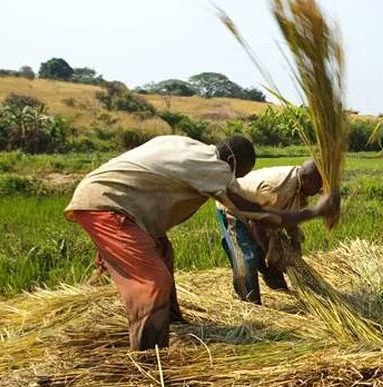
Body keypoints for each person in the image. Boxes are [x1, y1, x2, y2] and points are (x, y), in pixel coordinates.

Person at [65, 134, 291, 350]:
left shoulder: (189, 147)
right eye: (238, 174)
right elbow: (240, 205)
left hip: (113, 197)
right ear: (231, 161)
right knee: (153, 282)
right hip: (109, 204)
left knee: (164, 254)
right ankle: (149, 358)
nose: (235, 179)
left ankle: (172, 323)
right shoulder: (214, 166)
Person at [215, 159, 336, 304]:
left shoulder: (302, 183)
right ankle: (248, 300)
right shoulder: (278, 189)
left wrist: (295, 251)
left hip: (259, 210)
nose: (319, 189)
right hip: (232, 208)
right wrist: (270, 254)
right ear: (305, 179)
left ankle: (278, 286)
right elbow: (257, 224)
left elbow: (290, 219)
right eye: (318, 184)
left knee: (277, 251)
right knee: (249, 255)